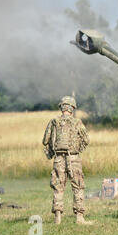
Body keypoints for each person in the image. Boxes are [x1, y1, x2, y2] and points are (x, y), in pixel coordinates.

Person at [42, 96, 91, 225]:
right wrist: (77, 149)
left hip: (58, 158)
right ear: (72, 108)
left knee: (58, 187)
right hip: (74, 158)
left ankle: (57, 217)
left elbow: (45, 140)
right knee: (78, 187)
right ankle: (79, 218)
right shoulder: (77, 122)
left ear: (62, 107)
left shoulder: (54, 122)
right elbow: (86, 140)